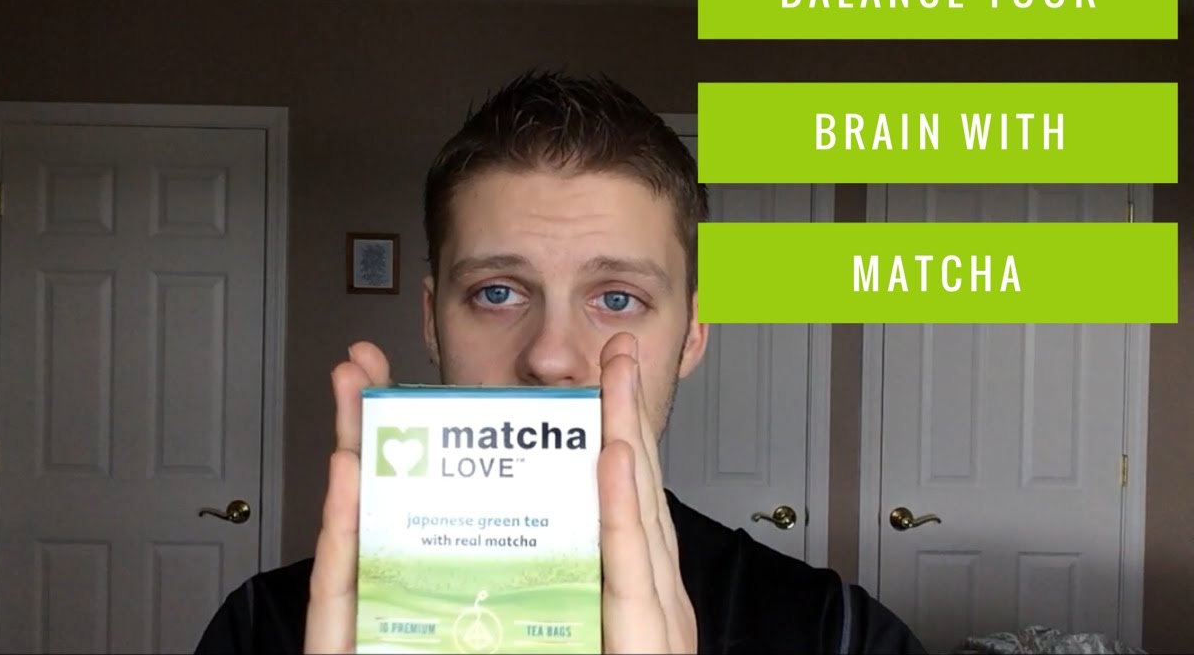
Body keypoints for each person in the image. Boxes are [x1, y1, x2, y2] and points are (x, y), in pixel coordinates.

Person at [195, 71, 926, 654]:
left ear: (692, 336)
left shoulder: (839, 634)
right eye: (498, 292)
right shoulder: (262, 629)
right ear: (431, 321)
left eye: (617, 298)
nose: (549, 357)